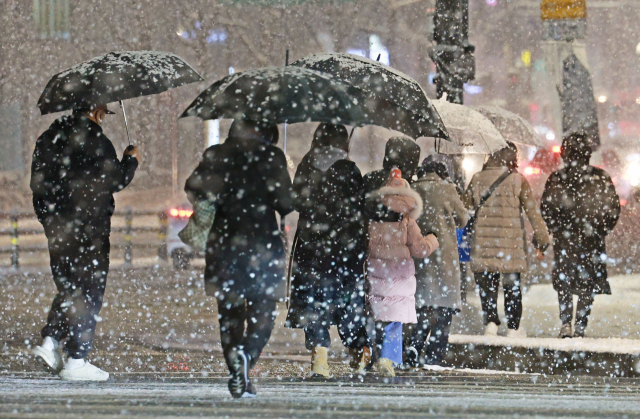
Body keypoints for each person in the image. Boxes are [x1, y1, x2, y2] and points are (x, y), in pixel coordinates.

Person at [185, 119, 293, 398]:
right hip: (262, 246)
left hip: (224, 244)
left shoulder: (216, 155)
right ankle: (247, 356)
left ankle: (237, 370)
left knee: (230, 316)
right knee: (264, 315)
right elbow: (285, 204)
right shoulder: (272, 156)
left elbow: (194, 189)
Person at [30, 105, 140, 381]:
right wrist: (131, 161)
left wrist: (50, 220)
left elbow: (38, 185)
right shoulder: (97, 142)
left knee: (70, 286)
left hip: (58, 229)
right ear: (96, 111)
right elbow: (113, 180)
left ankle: (50, 342)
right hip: (89, 230)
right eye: (103, 112)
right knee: (89, 290)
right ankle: (76, 359)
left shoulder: (48, 139)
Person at [285, 123, 369, 377]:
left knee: (314, 302)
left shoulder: (306, 166)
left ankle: (319, 360)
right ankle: (358, 353)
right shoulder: (350, 170)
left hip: (311, 247)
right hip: (344, 249)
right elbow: (359, 210)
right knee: (347, 302)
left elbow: (296, 201)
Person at [463, 142, 550, 338]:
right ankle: (513, 327)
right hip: (510, 245)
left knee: (487, 285)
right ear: (512, 157)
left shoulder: (477, 179)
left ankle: (491, 323)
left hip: (484, 242)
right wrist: (542, 237)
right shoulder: (518, 180)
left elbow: (464, 210)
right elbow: (533, 213)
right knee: (512, 286)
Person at [540, 133, 620, 338]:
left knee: (565, 280)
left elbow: (547, 208)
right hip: (591, 239)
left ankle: (566, 322)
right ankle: (581, 326)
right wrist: (601, 229)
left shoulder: (557, 178)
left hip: (564, 239)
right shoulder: (600, 177)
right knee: (587, 282)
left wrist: (556, 228)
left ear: (565, 154)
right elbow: (612, 208)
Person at [366, 168, 439, 377]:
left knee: (376, 316)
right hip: (399, 275)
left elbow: (366, 245)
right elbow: (419, 249)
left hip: (377, 273)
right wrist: (433, 238)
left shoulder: (373, 218)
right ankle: (388, 359)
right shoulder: (407, 219)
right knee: (394, 321)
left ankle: (371, 354)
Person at [405, 157, 469, 368]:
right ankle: (434, 355)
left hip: (419, 254)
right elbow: (463, 219)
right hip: (444, 255)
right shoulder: (447, 189)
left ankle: (414, 345)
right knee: (443, 309)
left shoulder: (412, 190)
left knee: (422, 305)